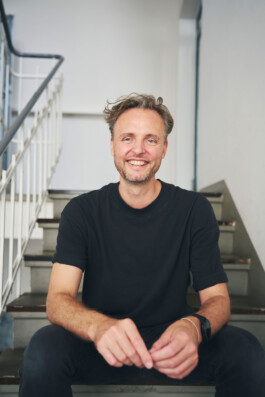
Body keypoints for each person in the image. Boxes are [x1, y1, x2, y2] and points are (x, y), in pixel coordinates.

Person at [19, 94, 265, 397]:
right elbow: (57, 300)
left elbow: (218, 299)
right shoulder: (81, 211)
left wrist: (193, 327)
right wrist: (98, 327)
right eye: (127, 138)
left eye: (151, 140)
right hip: (101, 344)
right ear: (112, 146)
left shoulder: (194, 209)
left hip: (172, 346)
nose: (138, 149)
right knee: (42, 351)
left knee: (247, 351)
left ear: (164, 148)